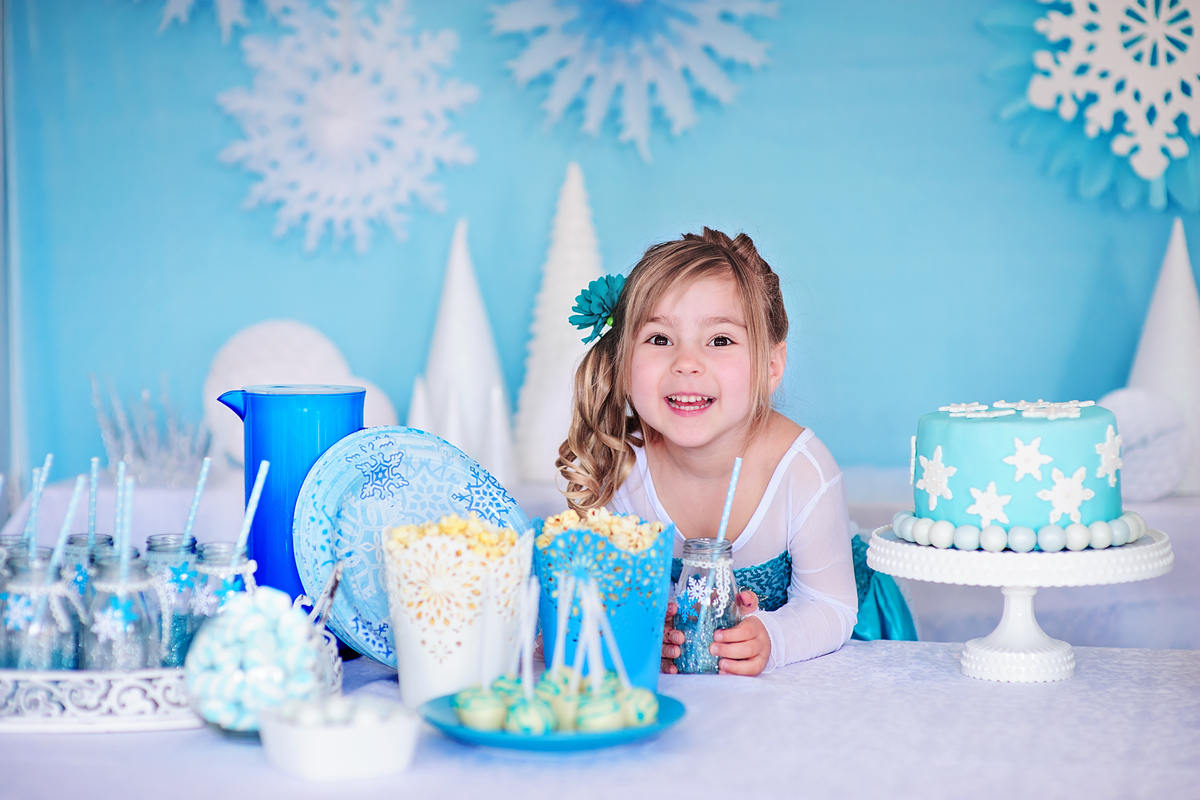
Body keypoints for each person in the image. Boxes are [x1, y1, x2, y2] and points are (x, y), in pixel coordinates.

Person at [557, 227, 858, 676]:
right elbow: (600, 599)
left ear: (771, 367)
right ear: (621, 364)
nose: (686, 362)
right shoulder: (621, 463)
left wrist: (773, 637)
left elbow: (829, 606)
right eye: (659, 339)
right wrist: (638, 628)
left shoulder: (802, 470)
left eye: (719, 340)